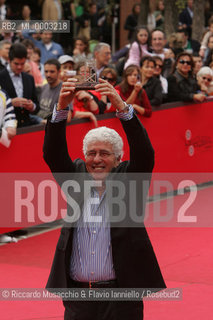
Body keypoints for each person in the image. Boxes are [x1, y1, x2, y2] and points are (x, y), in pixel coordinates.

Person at [44, 77, 166, 320]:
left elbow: (145, 153)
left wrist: (121, 107)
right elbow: (53, 153)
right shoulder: (75, 179)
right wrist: (61, 108)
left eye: (104, 154)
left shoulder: (129, 181)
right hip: (78, 299)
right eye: (91, 153)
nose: (97, 159)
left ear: (118, 159)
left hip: (121, 299)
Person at [0, 43, 40, 127]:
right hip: (5, 129)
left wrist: (32, 106)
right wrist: (10, 103)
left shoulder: (29, 78)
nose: (19, 67)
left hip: (26, 128)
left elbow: (36, 106)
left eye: (22, 64)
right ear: (9, 60)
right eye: (16, 64)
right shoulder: (1, 77)